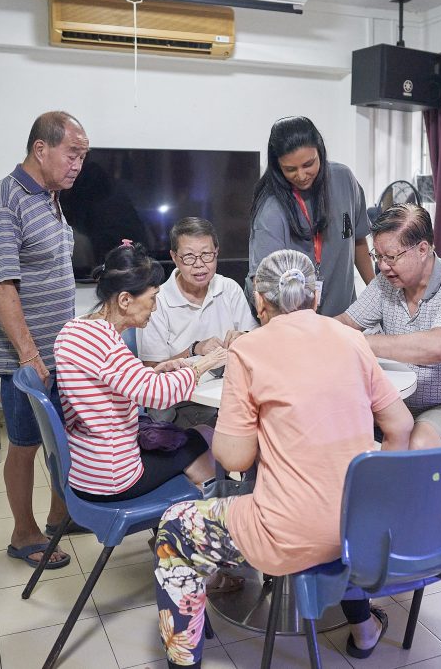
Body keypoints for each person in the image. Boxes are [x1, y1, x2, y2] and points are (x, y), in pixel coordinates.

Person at [154, 249, 414, 668]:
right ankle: (364, 626)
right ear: (316, 295)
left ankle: (185, 657)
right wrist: (376, 497)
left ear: (260, 300)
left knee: (174, 527)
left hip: (290, 533)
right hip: (359, 526)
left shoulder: (248, 349)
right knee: (330, 494)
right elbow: (400, 425)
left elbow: (235, 458)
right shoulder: (350, 339)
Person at [0, 110, 88, 569]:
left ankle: (61, 516)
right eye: (72, 154)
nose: (78, 164)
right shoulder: (4, 200)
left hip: (58, 353)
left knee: (63, 440)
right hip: (24, 359)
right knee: (25, 445)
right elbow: (1, 286)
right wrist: (29, 356)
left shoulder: (50, 197)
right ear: (40, 149)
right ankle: (23, 534)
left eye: (83, 156)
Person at [53, 241, 228, 502]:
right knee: (204, 435)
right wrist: (204, 363)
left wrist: (157, 371)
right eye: (152, 298)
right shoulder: (106, 344)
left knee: (190, 441)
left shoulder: (74, 330)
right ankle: (206, 515)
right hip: (114, 476)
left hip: (86, 466)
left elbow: (117, 382)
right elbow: (157, 396)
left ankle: (192, 510)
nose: (154, 307)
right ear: (125, 300)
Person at [337, 203, 441, 450]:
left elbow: (439, 347)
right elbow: (346, 322)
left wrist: (360, 342)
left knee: (416, 445)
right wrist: (310, 328)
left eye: (391, 257)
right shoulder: (385, 283)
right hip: (397, 399)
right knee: (333, 423)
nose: (383, 266)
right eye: (378, 256)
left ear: (422, 249)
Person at [247, 116, 375, 317]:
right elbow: (264, 282)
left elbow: (358, 240)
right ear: (277, 166)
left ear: (320, 152)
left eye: (308, 164)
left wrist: (375, 292)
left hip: (345, 318)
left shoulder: (344, 179)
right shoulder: (270, 210)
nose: (301, 175)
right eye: (290, 169)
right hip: (296, 324)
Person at [138, 217, 257, 426]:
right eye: (189, 257)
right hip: (177, 404)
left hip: (227, 394)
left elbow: (256, 343)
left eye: (206, 255)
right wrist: (195, 349)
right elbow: (152, 371)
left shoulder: (229, 289)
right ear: (174, 257)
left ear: (216, 252)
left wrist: (244, 338)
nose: (200, 264)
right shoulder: (158, 301)